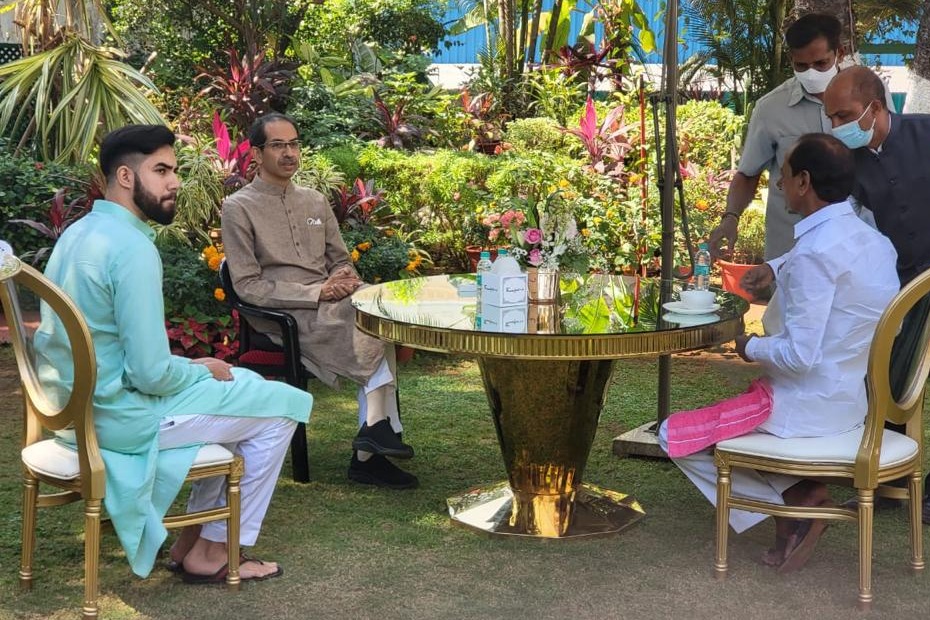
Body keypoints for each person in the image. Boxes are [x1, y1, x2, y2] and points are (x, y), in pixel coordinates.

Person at [36, 124, 312, 582]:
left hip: (72, 411)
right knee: (283, 407)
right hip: (119, 418)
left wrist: (195, 367)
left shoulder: (80, 233)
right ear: (126, 177)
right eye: (161, 171)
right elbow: (150, 375)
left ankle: (193, 541)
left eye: (174, 170)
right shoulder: (131, 249)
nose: (175, 182)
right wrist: (198, 371)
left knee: (245, 387)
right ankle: (214, 550)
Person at [659, 134, 899, 573]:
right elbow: (821, 261)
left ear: (804, 182)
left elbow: (799, 356)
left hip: (803, 408)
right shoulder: (874, 241)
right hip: (850, 404)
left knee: (672, 435)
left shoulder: (815, 254)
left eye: (783, 175)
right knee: (717, 425)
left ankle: (796, 503)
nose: (778, 184)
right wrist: (774, 267)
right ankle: (797, 496)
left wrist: (748, 346)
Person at [221, 113, 418, 490]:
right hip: (282, 313)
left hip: (331, 300)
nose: (289, 153)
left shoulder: (314, 200)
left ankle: (374, 436)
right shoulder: (238, 207)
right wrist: (315, 293)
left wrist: (343, 278)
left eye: (294, 144)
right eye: (278, 145)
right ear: (257, 153)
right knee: (367, 319)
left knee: (379, 304)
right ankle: (373, 445)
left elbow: (340, 258)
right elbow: (246, 286)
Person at [821, 65, 930, 521]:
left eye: (844, 116)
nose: (837, 126)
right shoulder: (848, 163)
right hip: (900, 287)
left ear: (876, 108)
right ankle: (887, 482)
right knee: (887, 377)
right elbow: (837, 224)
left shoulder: (925, 133)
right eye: (831, 118)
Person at [708, 14, 845, 262]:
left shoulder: (869, 97)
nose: (811, 73)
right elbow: (747, 174)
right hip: (791, 252)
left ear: (840, 53)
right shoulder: (770, 108)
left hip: (854, 247)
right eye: (801, 66)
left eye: (820, 63)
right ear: (791, 59)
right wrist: (730, 218)